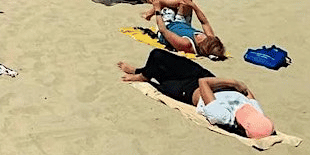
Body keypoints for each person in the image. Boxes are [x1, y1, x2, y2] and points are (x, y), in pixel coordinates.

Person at [117, 49, 274, 139]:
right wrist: (241, 88)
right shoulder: (256, 113)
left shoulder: (222, 116)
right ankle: (141, 71)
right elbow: (248, 94)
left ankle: (141, 75)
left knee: (161, 77)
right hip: (206, 76)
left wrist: (234, 83)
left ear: (241, 126)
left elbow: (203, 83)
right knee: (158, 55)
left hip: (190, 89)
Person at [139, 0, 226, 59]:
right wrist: (193, 6)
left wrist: (157, 9)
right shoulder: (210, 39)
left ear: (201, 46)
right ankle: (150, 8)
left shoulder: (186, 44)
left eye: (203, 39)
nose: (201, 35)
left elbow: (163, 30)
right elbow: (204, 22)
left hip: (168, 26)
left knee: (166, 5)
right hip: (182, 23)